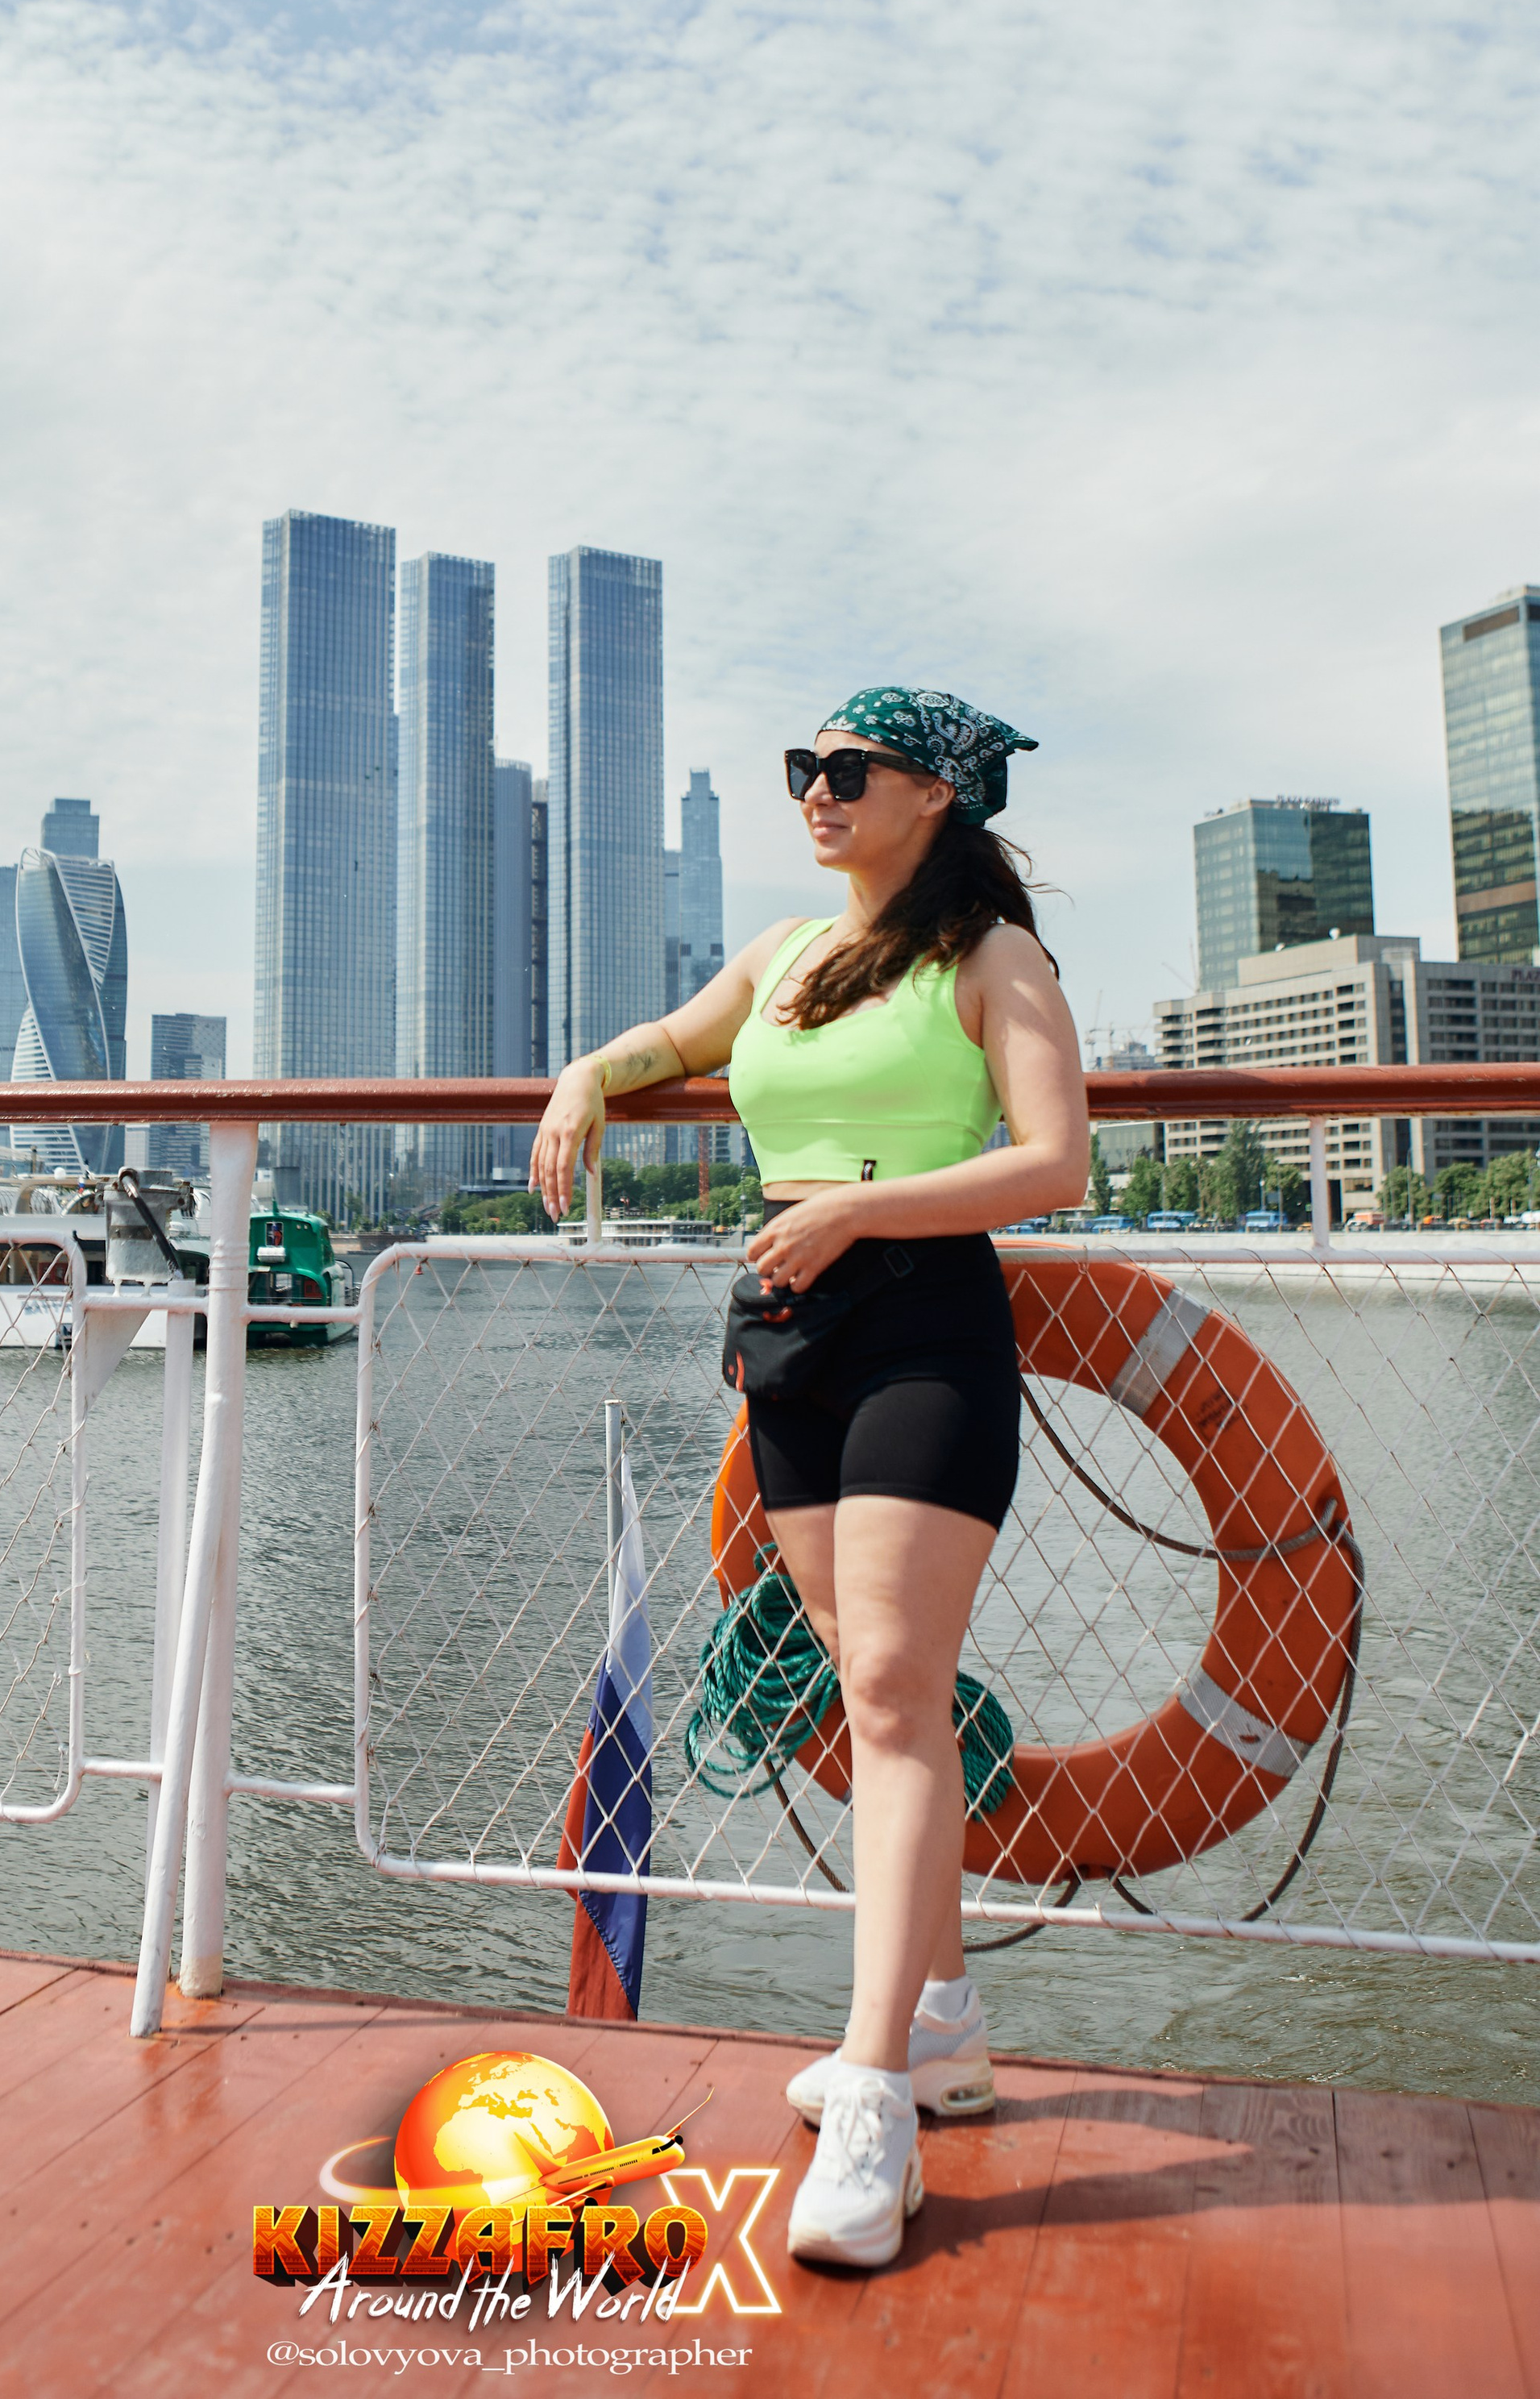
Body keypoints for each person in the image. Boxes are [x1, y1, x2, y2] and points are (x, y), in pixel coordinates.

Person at [531, 686, 1088, 2271]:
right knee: (867, 1684)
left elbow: (1054, 1162)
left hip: (921, 1328)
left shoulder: (991, 958)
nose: (814, 792)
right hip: (787, 1337)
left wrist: (856, 1209)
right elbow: (669, 1043)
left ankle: (872, 2091)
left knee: (897, 1691)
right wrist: (585, 1077)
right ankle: (946, 2017)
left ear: (935, 794)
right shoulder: (783, 955)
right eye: (803, 770)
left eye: (847, 770)